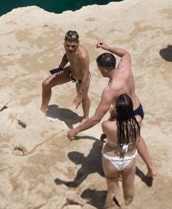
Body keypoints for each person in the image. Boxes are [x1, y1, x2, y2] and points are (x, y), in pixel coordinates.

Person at [66, 42, 156, 177]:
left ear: (105, 71)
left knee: (119, 142)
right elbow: (125, 54)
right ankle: (151, 168)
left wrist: (76, 130)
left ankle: (120, 172)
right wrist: (108, 48)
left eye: (100, 69)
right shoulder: (124, 68)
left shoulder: (110, 91)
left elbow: (96, 118)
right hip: (137, 108)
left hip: (125, 115)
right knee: (136, 138)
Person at [100, 93, 142, 209]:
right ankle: (129, 203)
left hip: (111, 158)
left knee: (112, 182)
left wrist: (112, 114)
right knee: (129, 183)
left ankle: (114, 205)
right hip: (129, 157)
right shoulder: (138, 121)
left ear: (116, 110)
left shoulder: (107, 125)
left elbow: (107, 130)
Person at [41, 29, 91, 120]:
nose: (70, 48)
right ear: (65, 42)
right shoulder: (66, 46)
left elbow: (85, 75)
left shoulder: (82, 55)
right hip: (70, 72)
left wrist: (79, 95)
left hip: (81, 78)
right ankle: (43, 110)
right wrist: (60, 67)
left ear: (78, 43)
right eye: (68, 45)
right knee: (45, 84)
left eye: (73, 46)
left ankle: (86, 117)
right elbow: (67, 56)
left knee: (84, 98)